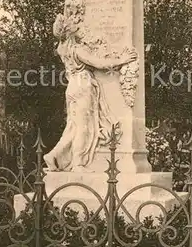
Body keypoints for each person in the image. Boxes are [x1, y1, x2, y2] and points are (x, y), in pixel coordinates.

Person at [43, 14, 137, 172]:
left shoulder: (62, 49)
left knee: (73, 126)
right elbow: (99, 63)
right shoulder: (77, 50)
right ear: (69, 31)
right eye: (74, 26)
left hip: (72, 86)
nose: (78, 27)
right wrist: (123, 59)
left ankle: (53, 155)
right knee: (84, 128)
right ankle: (78, 164)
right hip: (82, 86)